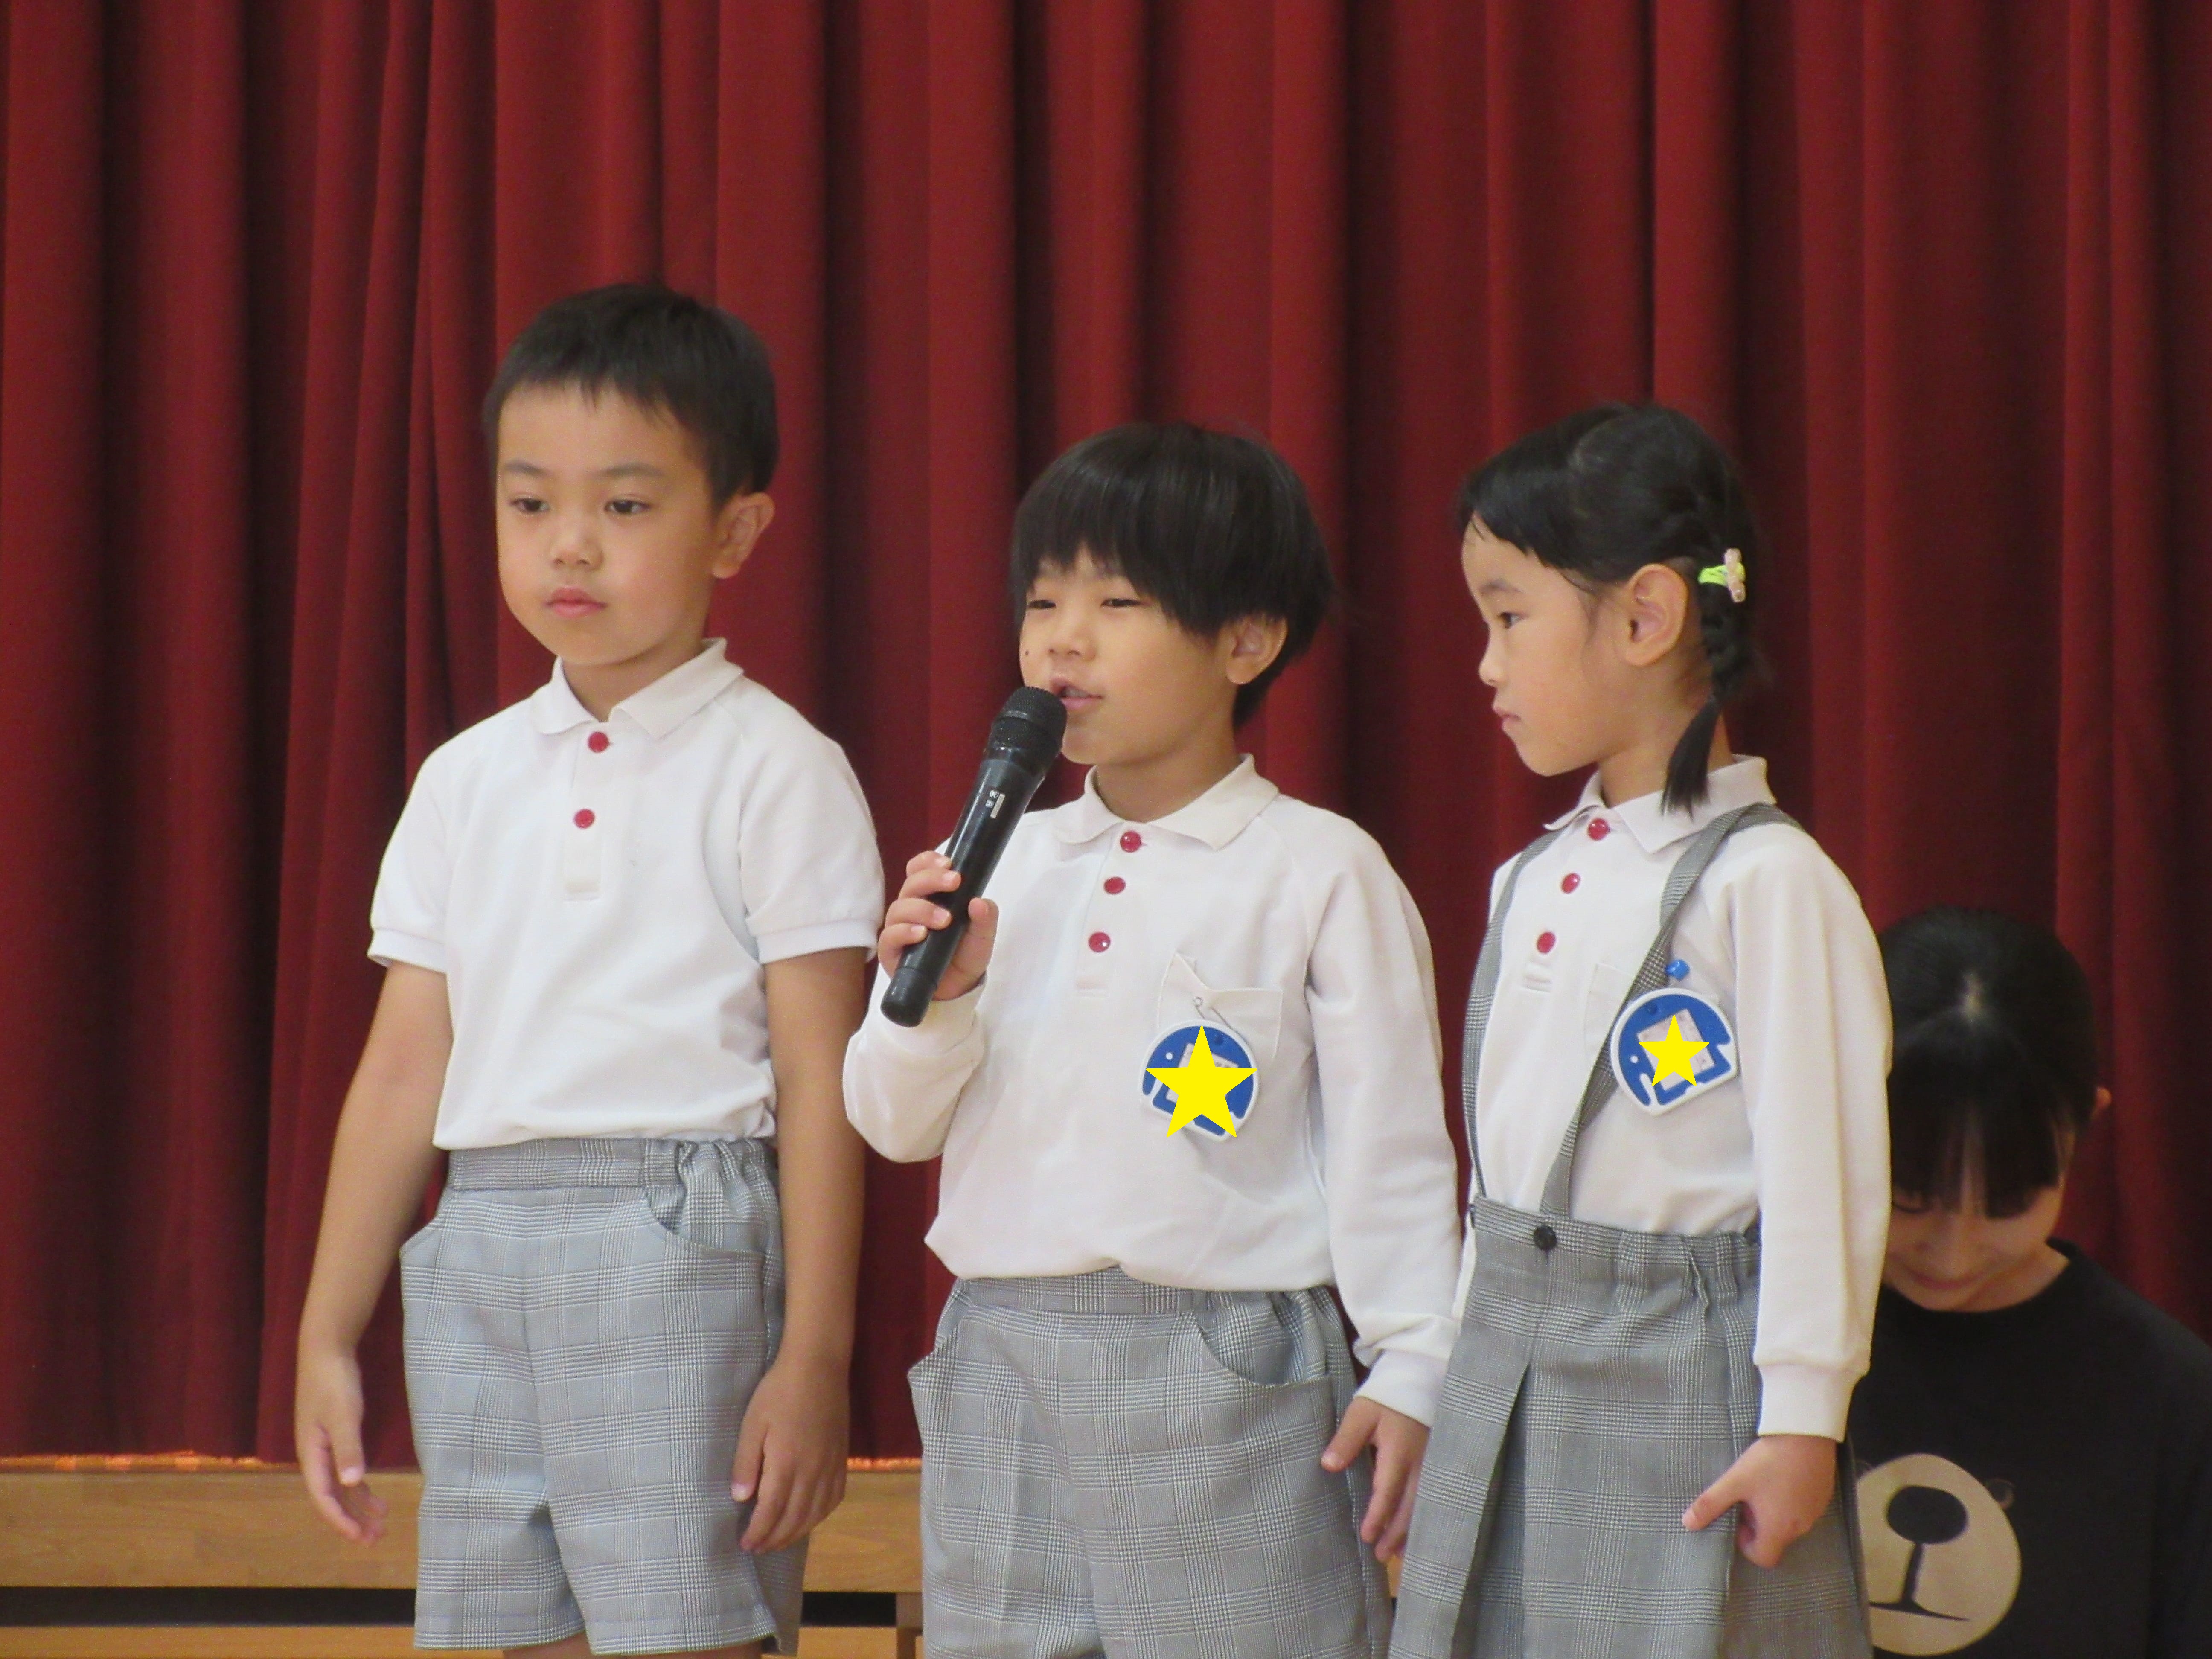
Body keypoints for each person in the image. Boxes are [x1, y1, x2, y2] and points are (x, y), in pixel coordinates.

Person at [292, 284, 883, 1658]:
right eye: (529, 502)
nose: (570, 542)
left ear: (735, 531)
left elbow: (823, 1081)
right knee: (513, 1630)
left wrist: (816, 1356)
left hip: (678, 1235)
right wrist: (329, 1331)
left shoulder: (778, 767)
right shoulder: (464, 779)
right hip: (482, 1236)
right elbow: (402, 1072)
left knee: (689, 1629)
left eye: (624, 505)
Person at [844, 422, 1464, 1659]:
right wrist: (938, 997)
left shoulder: (1318, 869)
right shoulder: (1002, 859)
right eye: (1043, 601)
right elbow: (894, 1122)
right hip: (1002, 1354)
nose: (1061, 640)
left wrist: (1414, 1363)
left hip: (1220, 1366)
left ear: (1247, 640)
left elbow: (1390, 1149)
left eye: (1116, 602)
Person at [1392, 403, 1888, 1659]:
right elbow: (1497, 1186)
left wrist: (1802, 1416)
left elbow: (1824, 1171)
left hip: (1678, 1378)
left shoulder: (1769, 883)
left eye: (1510, 618)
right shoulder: (1529, 877)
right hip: (1507, 1358)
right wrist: (1448, 1371)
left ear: (1646, 616)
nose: (1486, 666)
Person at [1848, 905, 2212, 1657]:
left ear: (2084, 1128)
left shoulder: (2170, 1396)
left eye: (2010, 1202)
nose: (1953, 1254)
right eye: (1909, 1198)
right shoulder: (1749, 1329)